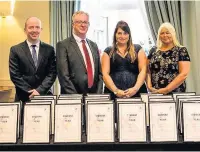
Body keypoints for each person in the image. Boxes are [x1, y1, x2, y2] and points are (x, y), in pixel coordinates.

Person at [9, 17, 57, 102]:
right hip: (23, 97)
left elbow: (52, 73)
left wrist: (39, 91)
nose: (34, 30)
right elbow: (15, 75)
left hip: (45, 96)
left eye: (37, 27)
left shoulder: (49, 49)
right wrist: (30, 91)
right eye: (31, 27)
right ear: (25, 30)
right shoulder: (15, 50)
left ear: (41, 29)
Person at [56, 11, 103, 94]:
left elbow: (99, 74)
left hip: (93, 97)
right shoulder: (63, 45)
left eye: (85, 22)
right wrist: (76, 98)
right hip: (72, 98)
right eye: (79, 22)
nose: (83, 25)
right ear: (73, 24)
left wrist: (98, 94)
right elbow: (64, 77)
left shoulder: (94, 45)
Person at [101, 20, 147, 99]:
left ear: (129, 35)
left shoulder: (138, 49)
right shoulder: (108, 51)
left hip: (137, 93)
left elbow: (143, 70)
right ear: (115, 35)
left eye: (125, 33)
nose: (122, 36)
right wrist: (116, 91)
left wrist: (135, 89)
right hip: (114, 94)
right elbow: (105, 74)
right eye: (119, 33)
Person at [147, 22, 190, 94]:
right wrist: (149, 86)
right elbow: (147, 71)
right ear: (159, 36)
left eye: (167, 33)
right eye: (162, 33)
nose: (165, 35)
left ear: (173, 34)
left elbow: (184, 74)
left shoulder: (181, 50)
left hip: (175, 92)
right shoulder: (153, 50)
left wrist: (167, 89)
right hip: (155, 93)